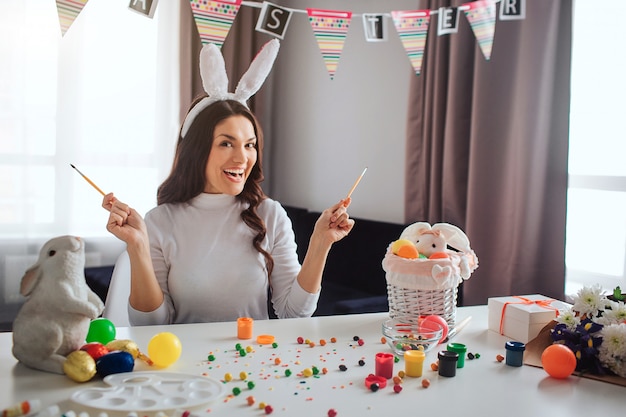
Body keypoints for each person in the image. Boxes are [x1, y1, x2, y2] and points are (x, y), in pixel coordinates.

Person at [101, 40, 355, 325]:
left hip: (253, 362)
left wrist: (321, 242)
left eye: (249, 145)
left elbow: (293, 312)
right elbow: (152, 325)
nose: (242, 158)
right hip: (184, 366)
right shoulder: (160, 221)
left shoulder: (270, 215)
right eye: (226, 143)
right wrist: (137, 247)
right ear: (197, 150)